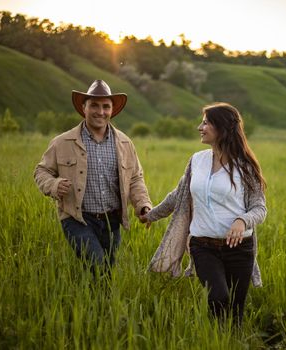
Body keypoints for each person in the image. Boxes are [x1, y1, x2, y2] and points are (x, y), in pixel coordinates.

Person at [140, 102, 266, 325]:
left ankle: (228, 341)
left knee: (236, 310)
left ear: (222, 128)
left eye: (206, 122)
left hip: (239, 248)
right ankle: (215, 336)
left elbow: (259, 208)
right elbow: (178, 195)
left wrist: (242, 221)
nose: (200, 127)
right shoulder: (197, 161)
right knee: (218, 297)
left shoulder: (245, 166)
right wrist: (151, 215)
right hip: (203, 245)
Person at [34, 79, 152, 270]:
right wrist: (53, 185)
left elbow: (136, 178)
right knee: (97, 265)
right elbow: (42, 171)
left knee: (106, 270)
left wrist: (143, 205)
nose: (101, 111)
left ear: (112, 109)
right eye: (94, 105)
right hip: (77, 218)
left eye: (106, 106)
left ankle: (99, 300)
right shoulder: (62, 142)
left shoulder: (124, 143)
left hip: (111, 220)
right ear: (84, 107)